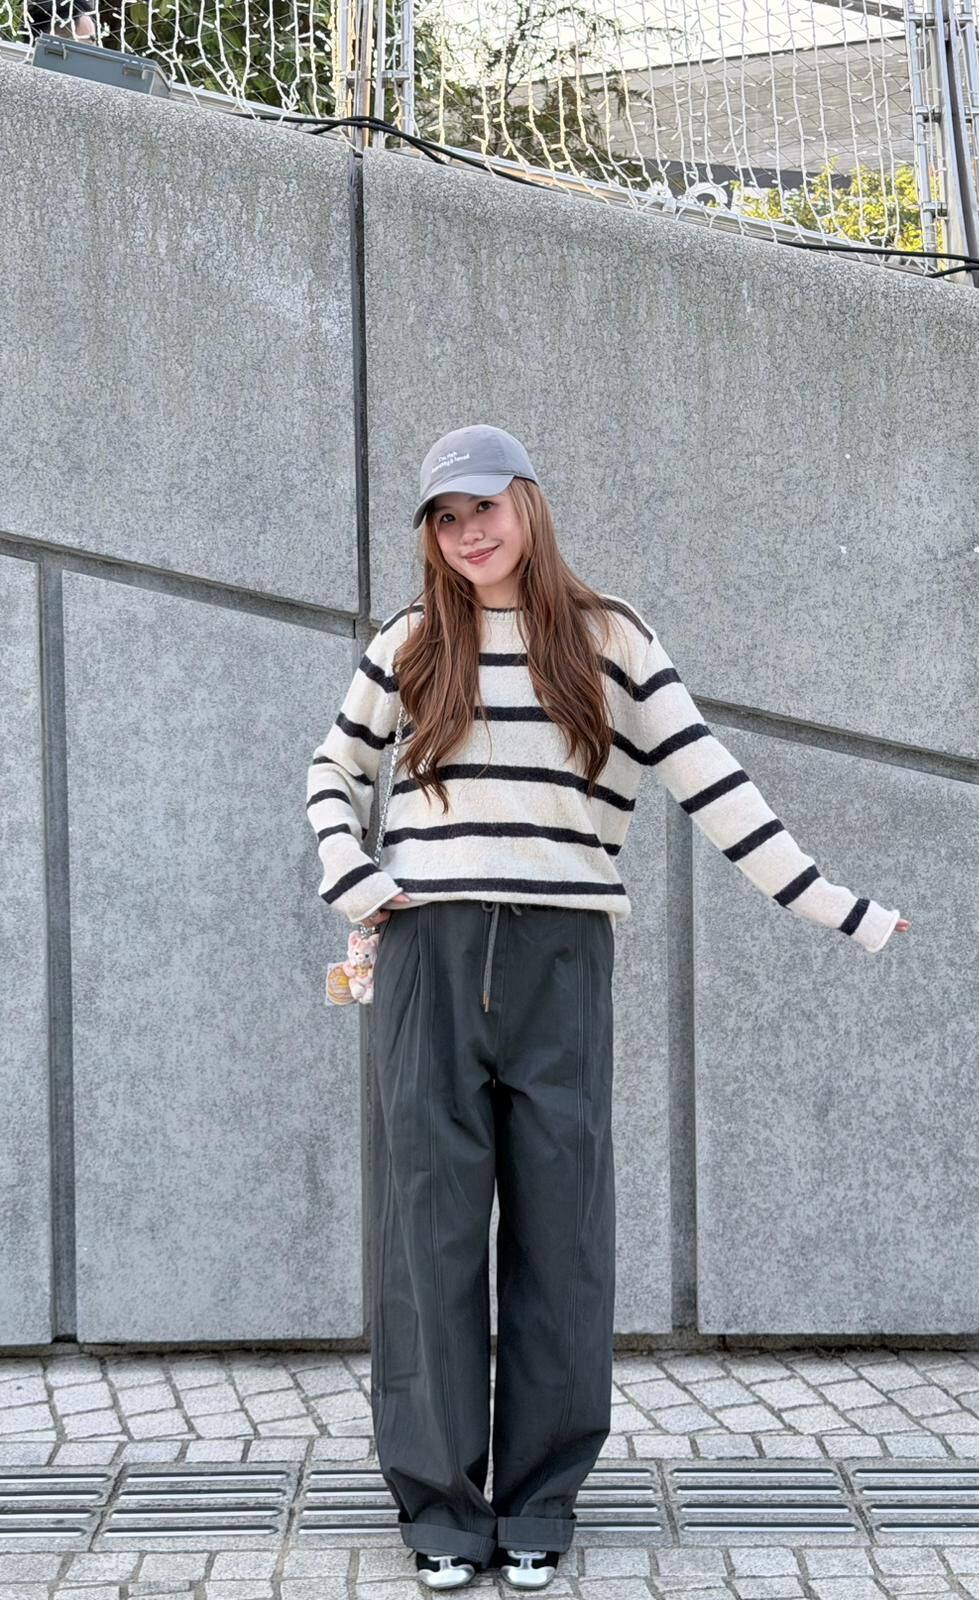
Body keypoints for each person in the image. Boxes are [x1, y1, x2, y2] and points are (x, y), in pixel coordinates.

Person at [305, 424, 910, 1592]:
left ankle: (538, 1500)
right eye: (445, 517)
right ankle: (440, 1512)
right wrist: (353, 871)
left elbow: (711, 781)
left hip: (562, 960)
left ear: (528, 503)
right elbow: (332, 768)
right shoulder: (409, 640)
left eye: (485, 506)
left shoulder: (609, 637)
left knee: (563, 1237)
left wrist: (836, 905)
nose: (468, 532)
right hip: (426, 955)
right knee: (426, 1237)